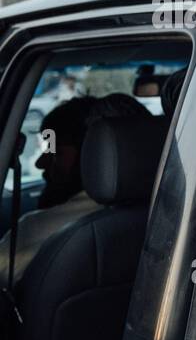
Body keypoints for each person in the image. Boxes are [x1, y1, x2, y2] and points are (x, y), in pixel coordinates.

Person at [0, 93, 152, 284]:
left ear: (92, 154)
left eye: (56, 152)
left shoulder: (33, 230)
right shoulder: (169, 216)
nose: (40, 163)